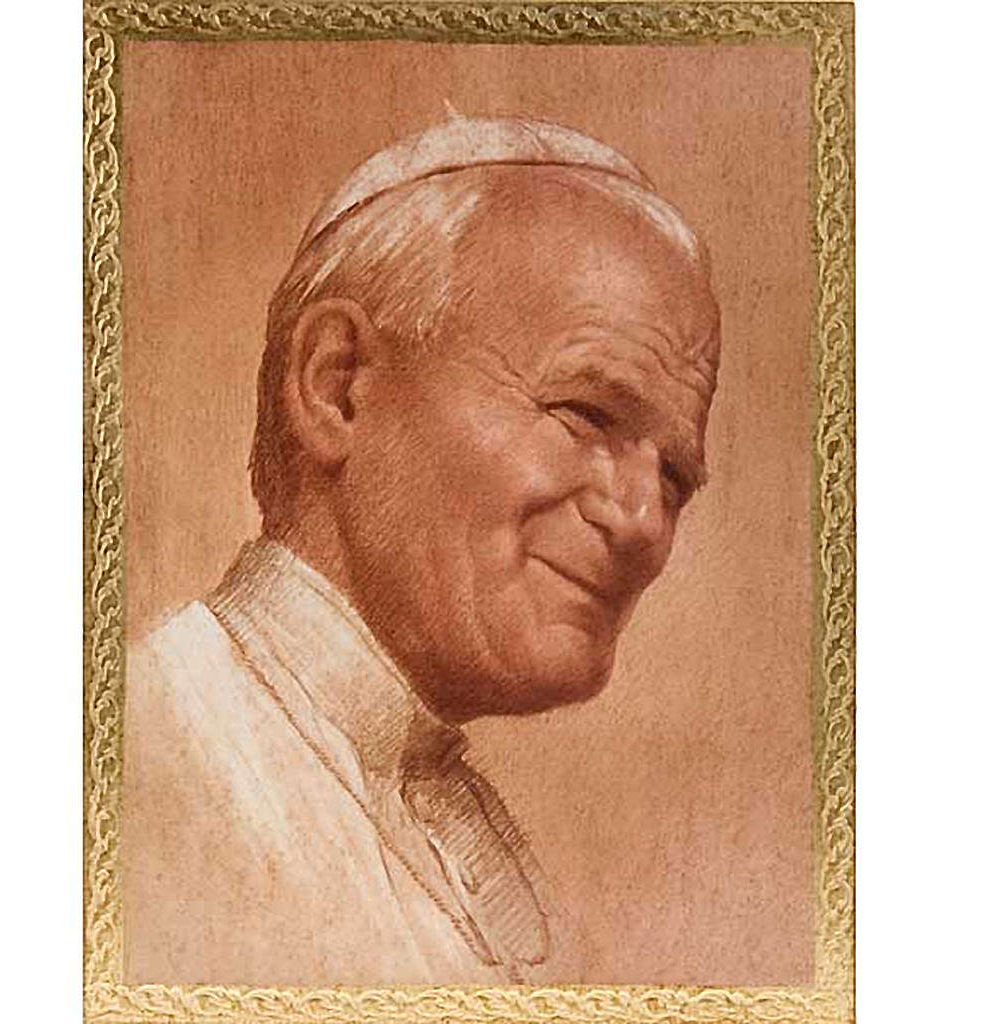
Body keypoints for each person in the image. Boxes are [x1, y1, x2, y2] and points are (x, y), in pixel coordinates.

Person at [121, 115, 722, 986]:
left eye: (674, 474)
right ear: (337, 388)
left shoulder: (461, 830)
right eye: (586, 414)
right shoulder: (138, 763)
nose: (642, 522)